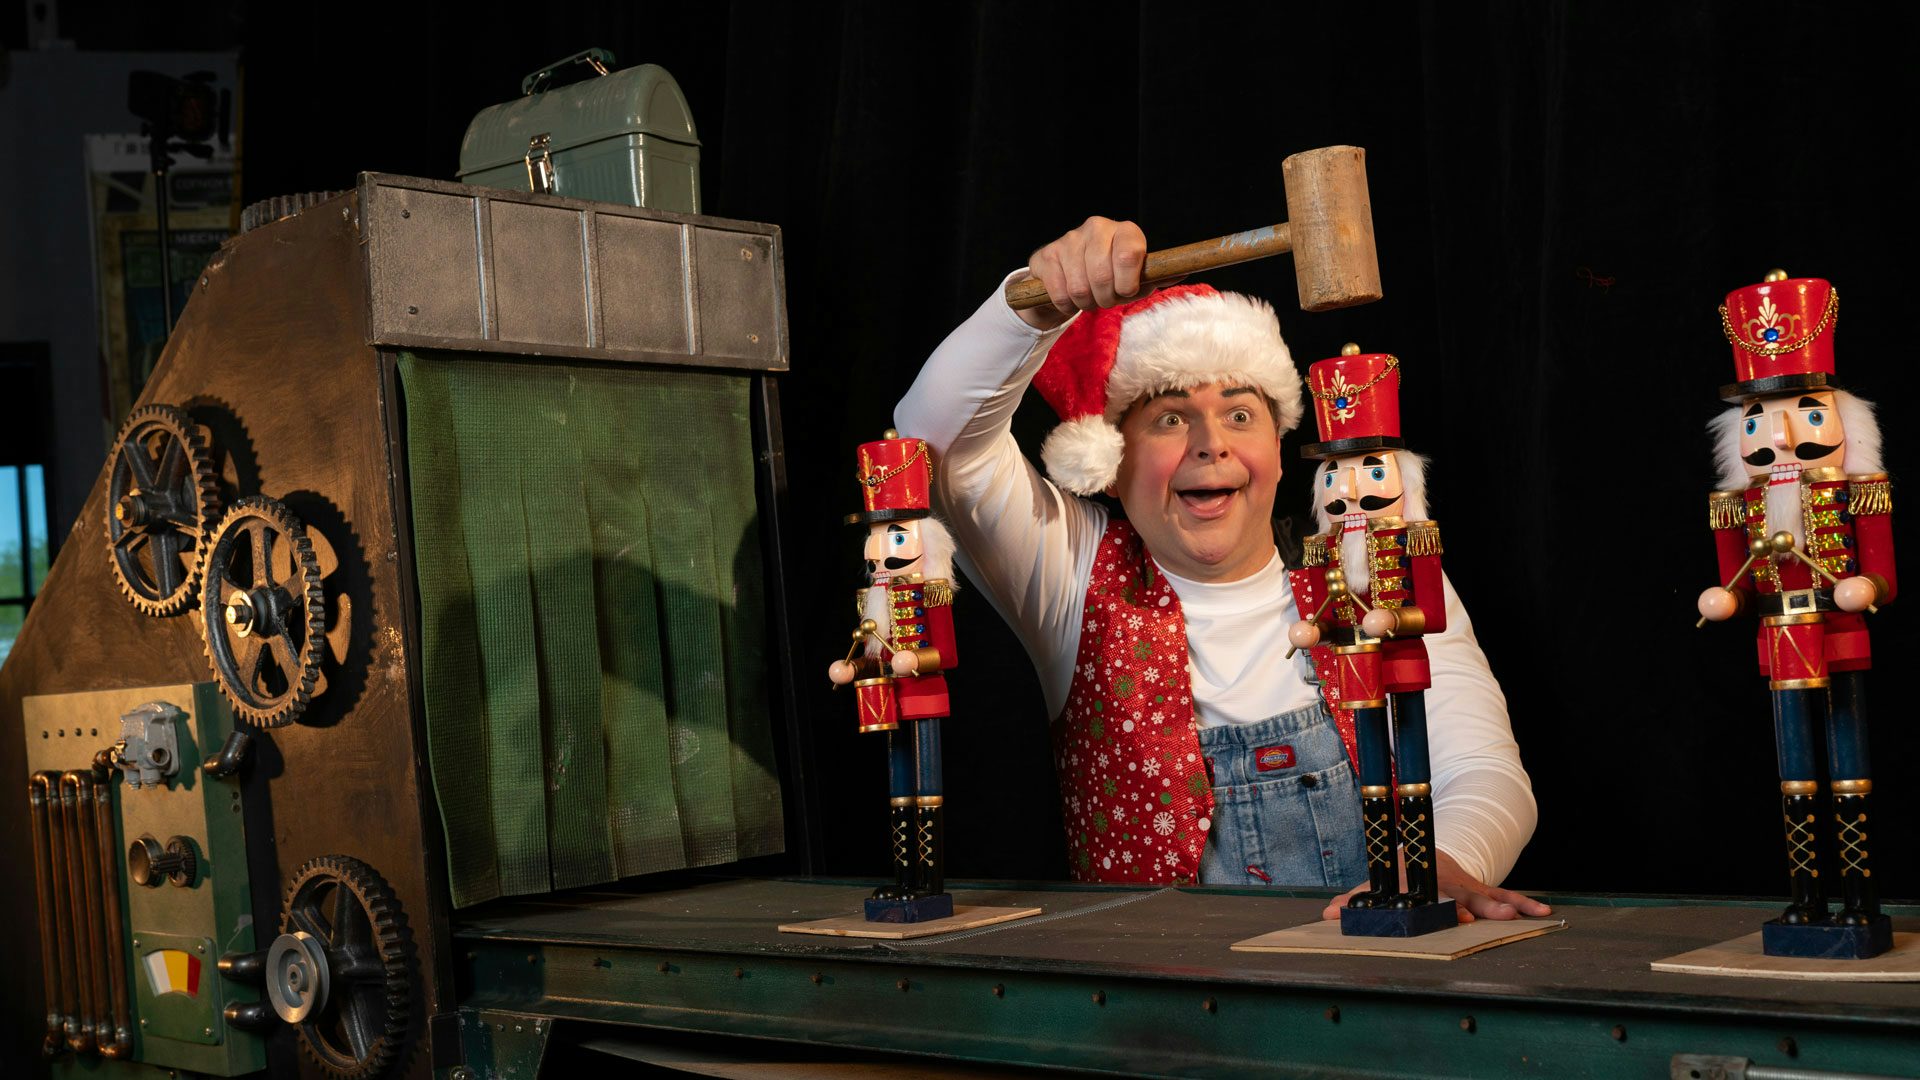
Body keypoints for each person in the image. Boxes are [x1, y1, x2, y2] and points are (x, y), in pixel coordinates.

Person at [893, 217, 1546, 921]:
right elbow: (931, 443)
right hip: (1162, 1017)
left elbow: (1482, 769)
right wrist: (1033, 305)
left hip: (1373, 987)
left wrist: (1442, 868)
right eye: (1170, 419)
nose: (1210, 445)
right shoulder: (1070, 577)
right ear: (1112, 463)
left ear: (1277, 440)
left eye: (1239, 414)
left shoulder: (1368, 573)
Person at [1695, 270, 1894, 957]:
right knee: (1795, 772)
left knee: (1850, 768)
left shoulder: (1856, 492)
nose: (1779, 436)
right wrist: (1727, 598)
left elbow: (1882, 572)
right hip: (1780, 637)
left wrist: (1864, 589)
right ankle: (1808, 897)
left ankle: (1860, 898)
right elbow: (1735, 582)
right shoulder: (1738, 503)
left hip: (1838, 633)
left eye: (1806, 414)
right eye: (1758, 418)